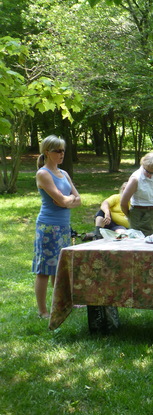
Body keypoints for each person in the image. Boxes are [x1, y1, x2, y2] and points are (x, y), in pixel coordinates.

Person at [32, 135, 82, 319]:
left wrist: (68, 200)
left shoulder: (64, 173)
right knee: (45, 270)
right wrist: (67, 200)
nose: (62, 154)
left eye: (63, 150)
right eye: (58, 151)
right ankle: (43, 311)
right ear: (47, 152)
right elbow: (63, 200)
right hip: (48, 226)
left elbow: (78, 200)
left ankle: (63, 303)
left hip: (63, 226)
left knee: (60, 268)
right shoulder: (43, 174)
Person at [120, 152, 153, 236]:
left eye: (152, 172)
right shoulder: (135, 179)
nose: (150, 175)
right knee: (142, 241)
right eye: (147, 172)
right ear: (143, 165)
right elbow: (123, 202)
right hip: (139, 214)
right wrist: (130, 216)